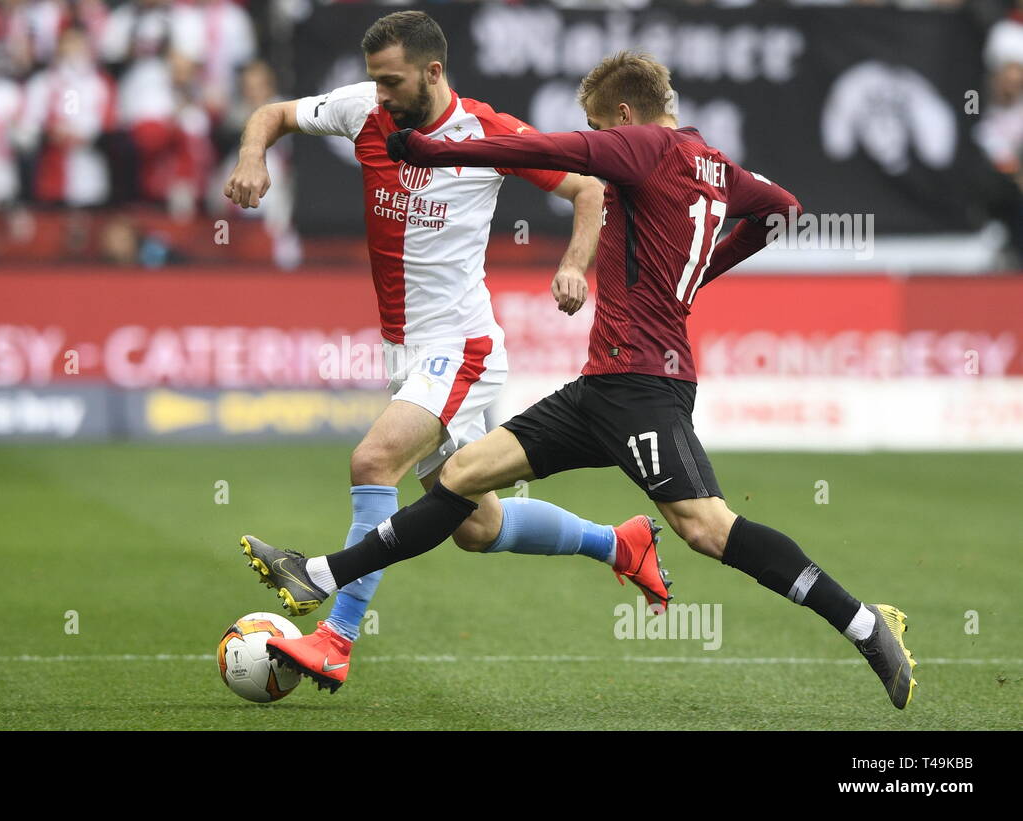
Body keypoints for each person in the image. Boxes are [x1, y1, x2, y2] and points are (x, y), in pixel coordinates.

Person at [240, 51, 918, 710]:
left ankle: (863, 623)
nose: (597, 138)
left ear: (624, 114)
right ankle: (322, 572)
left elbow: (550, 154)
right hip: (601, 386)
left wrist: (433, 153)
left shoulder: (643, 146)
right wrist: (696, 274)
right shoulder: (712, 164)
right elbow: (783, 206)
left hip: (644, 388)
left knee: (707, 527)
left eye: (600, 124)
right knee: (461, 476)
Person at [225, 13, 667, 693]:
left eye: (392, 81)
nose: (380, 96)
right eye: (374, 81)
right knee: (475, 524)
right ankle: (621, 542)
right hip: (405, 351)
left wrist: (576, 265)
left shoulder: (488, 132)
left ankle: (335, 638)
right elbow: (274, 113)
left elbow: (587, 186)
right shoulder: (363, 111)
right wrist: (253, 156)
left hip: (461, 345)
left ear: (432, 73)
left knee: (373, 459)